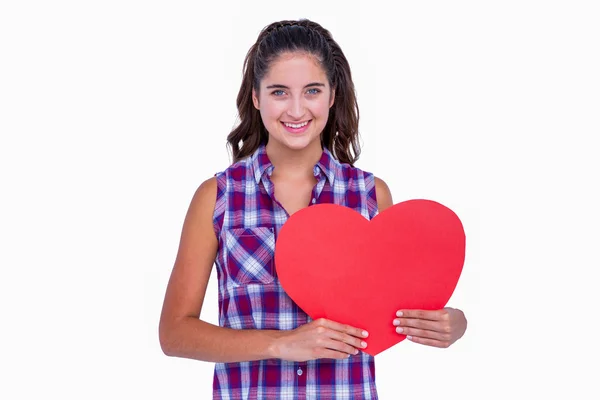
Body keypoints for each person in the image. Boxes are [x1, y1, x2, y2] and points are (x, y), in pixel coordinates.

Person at [159, 19, 467, 400]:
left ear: (332, 95)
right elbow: (174, 333)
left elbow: (401, 309)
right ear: (257, 98)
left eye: (312, 91)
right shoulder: (218, 196)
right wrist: (280, 344)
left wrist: (454, 323)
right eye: (279, 92)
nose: (296, 108)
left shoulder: (370, 196)